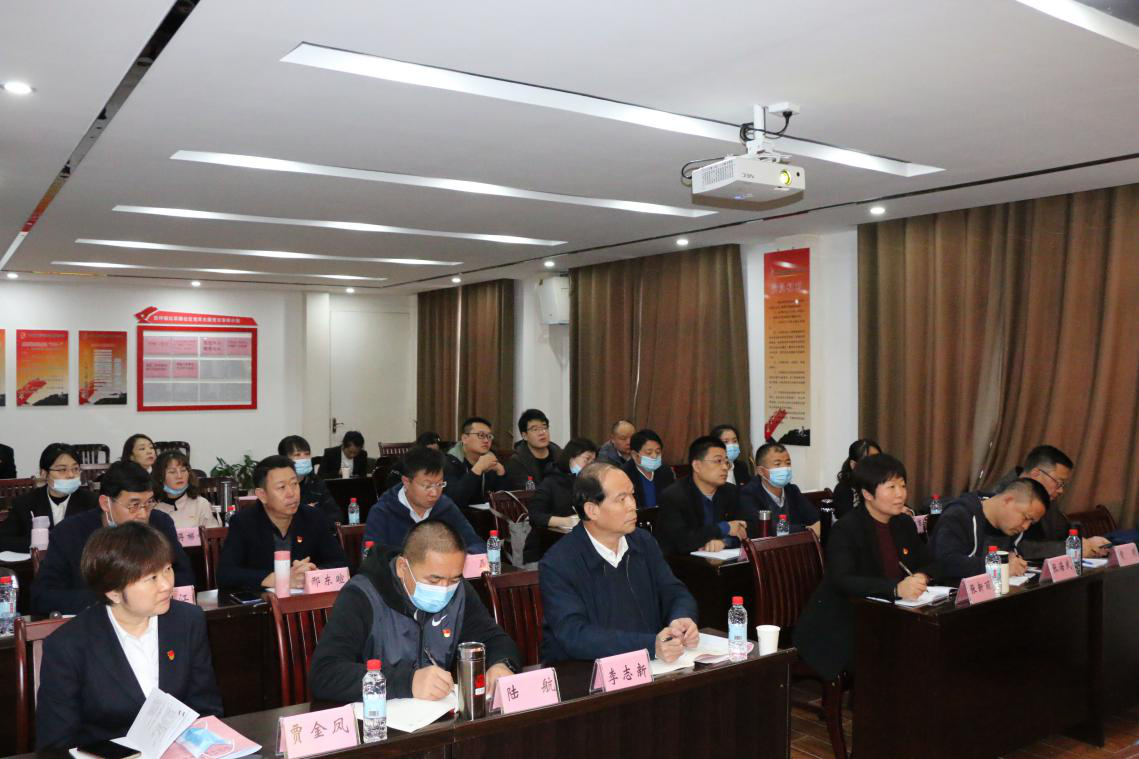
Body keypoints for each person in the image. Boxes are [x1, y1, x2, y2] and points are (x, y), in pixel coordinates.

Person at [36, 522, 223, 749]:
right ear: (114, 592)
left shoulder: (188, 621)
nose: (166, 585)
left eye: (167, 569)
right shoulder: (68, 646)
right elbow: (56, 745)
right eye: (151, 578)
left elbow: (206, 709)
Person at [310, 520, 521, 702]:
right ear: (403, 568)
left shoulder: (459, 591)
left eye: (454, 579)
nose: (444, 589)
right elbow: (325, 674)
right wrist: (407, 682)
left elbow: (494, 639)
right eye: (434, 580)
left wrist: (501, 664)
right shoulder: (362, 595)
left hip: (438, 716)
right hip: (378, 720)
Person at [794, 454, 939, 680]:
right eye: (891, 487)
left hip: (889, 618)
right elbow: (843, 580)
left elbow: (930, 562)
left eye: (903, 485)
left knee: (933, 645)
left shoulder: (903, 523)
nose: (900, 494)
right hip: (846, 623)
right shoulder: (847, 529)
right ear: (867, 494)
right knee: (902, 655)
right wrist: (895, 589)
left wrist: (921, 576)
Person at [539, 462, 699, 663]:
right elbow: (575, 635)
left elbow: (673, 591)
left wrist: (681, 618)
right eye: (621, 499)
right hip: (585, 672)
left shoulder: (643, 541)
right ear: (592, 510)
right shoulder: (558, 562)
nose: (632, 505)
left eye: (632, 495)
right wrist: (650, 646)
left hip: (651, 666)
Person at [32, 461, 194, 615]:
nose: (143, 514)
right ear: (105, 503)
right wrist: (117, 599)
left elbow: (185, 575)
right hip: (95, 621)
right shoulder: (69, 533)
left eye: (149, 503)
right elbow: (44, 596)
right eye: (134, 505)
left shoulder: (161, 523)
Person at [216, 455, 348, 592]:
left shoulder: (313, 517)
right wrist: (279, 578)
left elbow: (342, 564)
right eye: (281, 487)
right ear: (262, 495)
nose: (291, 493)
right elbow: (226, 574)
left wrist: (311, 573)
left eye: (294, 484)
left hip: (306, 601)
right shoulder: (243, 522)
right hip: (265, 602)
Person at [994, 445, 1110, 559]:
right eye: (1058, 483)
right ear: (1036, 474)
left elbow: (1062, 531)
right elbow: (1015, 547)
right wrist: (1070, 548)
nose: (1060, 490)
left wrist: (1088, 544)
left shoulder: (1047, 495)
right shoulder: (1002, 496)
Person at [365, 447, 486, 553]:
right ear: (406, 482)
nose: (434, 493)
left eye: (440, 484)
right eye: (427, 486)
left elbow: (476, 544)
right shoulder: (383, 512)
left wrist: (461, 557)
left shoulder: (445, 507)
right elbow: (372, 558)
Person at [655, 436, 759, 556]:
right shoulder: (673, 496)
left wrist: (725, 542)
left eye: (726, 462)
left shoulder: (731, 491)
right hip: (682, 563)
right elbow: (681, 540)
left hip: (725, 562)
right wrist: (724, 528)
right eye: (718, 461)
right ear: (697, 466)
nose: (725, 467)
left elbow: (750, 528)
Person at [929, 478, 1049, 580]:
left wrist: (1016, 561)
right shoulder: (960, 514)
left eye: (1031, 522)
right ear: (1008, 500)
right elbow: (945, 563)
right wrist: (999, 565)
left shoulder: (1013, 527)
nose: (1026, 526)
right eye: (1026, 518)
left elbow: (1013, 556)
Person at [0, 443, 98, 552]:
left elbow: (99, 540)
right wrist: (39, 543)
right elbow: (3, 539)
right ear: (44, 473)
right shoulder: (25, 503)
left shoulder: (91, 501)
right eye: (62, 470)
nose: (71, 475)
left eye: (75, 469)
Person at [523, 438, 598, 564]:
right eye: (587, 459)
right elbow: (535, 516)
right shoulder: (550, 482)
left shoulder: (587, 483)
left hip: (577, 545)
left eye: (593, 461)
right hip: (546, 547)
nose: (591, 465)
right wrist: (567, 521)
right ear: (571, 458)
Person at [741, 443, 821, 536]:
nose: (785, 468)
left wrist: (814, 526)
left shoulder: (792, 490)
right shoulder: (748, 494)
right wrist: (807, 529)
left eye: (788, 463)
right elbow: (765, 529)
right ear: (761, 471)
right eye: (778, 464)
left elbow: (815, 519)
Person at [444, 416, 507, 508]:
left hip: (486, 516)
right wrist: (478, 468)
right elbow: (454, 501)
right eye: (481, 435)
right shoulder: (448, 463)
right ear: (465, 438)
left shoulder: (492, 461)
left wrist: (501, 473)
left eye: (489, 436)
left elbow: (504, 505)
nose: (486, 440)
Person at [278, 435, 341, 525]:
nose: (304, 459)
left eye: (307, 454)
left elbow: (335, 515)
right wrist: (304, 512)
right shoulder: (277, 486)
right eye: (297, 455)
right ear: (284, 459)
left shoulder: (315, 481)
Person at [151, 450, 218, 529]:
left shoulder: (201, 504)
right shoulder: (152, 508)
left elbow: (213, 534)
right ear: (160, 477)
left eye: (183, 470)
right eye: (172, 472)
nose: (179, 476)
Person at [505, 408, 562, 489]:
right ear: (525, 436)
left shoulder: (559, 455)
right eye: (535, 429)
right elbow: (526, 492)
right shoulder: (516, 462)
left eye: (544, 427)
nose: (542, 433)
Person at [620, 428, 675, 509]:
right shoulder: (623, 475)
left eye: (658, 452)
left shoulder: (665, 471)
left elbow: (672, 500)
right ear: (635, 455)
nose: (654, 456)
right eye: (649, 452)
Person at [831, 438, 881, 518]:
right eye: (869, 461)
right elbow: (848, 521)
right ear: (854, 465)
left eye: (878, 460)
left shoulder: (884, 485)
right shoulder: (843, 489)